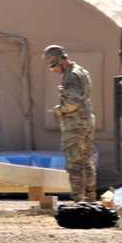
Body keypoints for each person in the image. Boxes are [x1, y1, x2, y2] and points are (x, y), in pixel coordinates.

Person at [43, 44, 96, 204]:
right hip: (86, 122)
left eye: (53, 66)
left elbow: (72, 102)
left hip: (75, 125)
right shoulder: (82, 71)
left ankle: (78, 200)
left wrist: (59, 110)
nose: (53, 70)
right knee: (86, 161)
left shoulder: (71, 76)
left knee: (74, 164)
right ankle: (91, 199)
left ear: (61, 61)